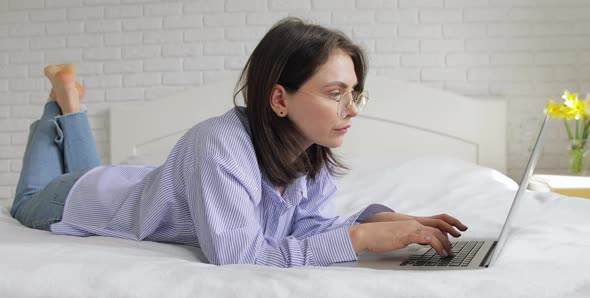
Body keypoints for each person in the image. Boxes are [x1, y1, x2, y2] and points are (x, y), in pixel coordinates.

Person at [10, 17, 467, 267]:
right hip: (75, 202)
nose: (352, 109)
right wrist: (361, 238)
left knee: (88, 169)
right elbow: (239, 255)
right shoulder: (220, 144)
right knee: (27, 198)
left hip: (122, 181)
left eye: (354, 93)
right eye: (335, 94)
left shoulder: (314, 153)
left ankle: (69, 101)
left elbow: (304, 230)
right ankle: (62, 102)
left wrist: (383, 221)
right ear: (279, 99)